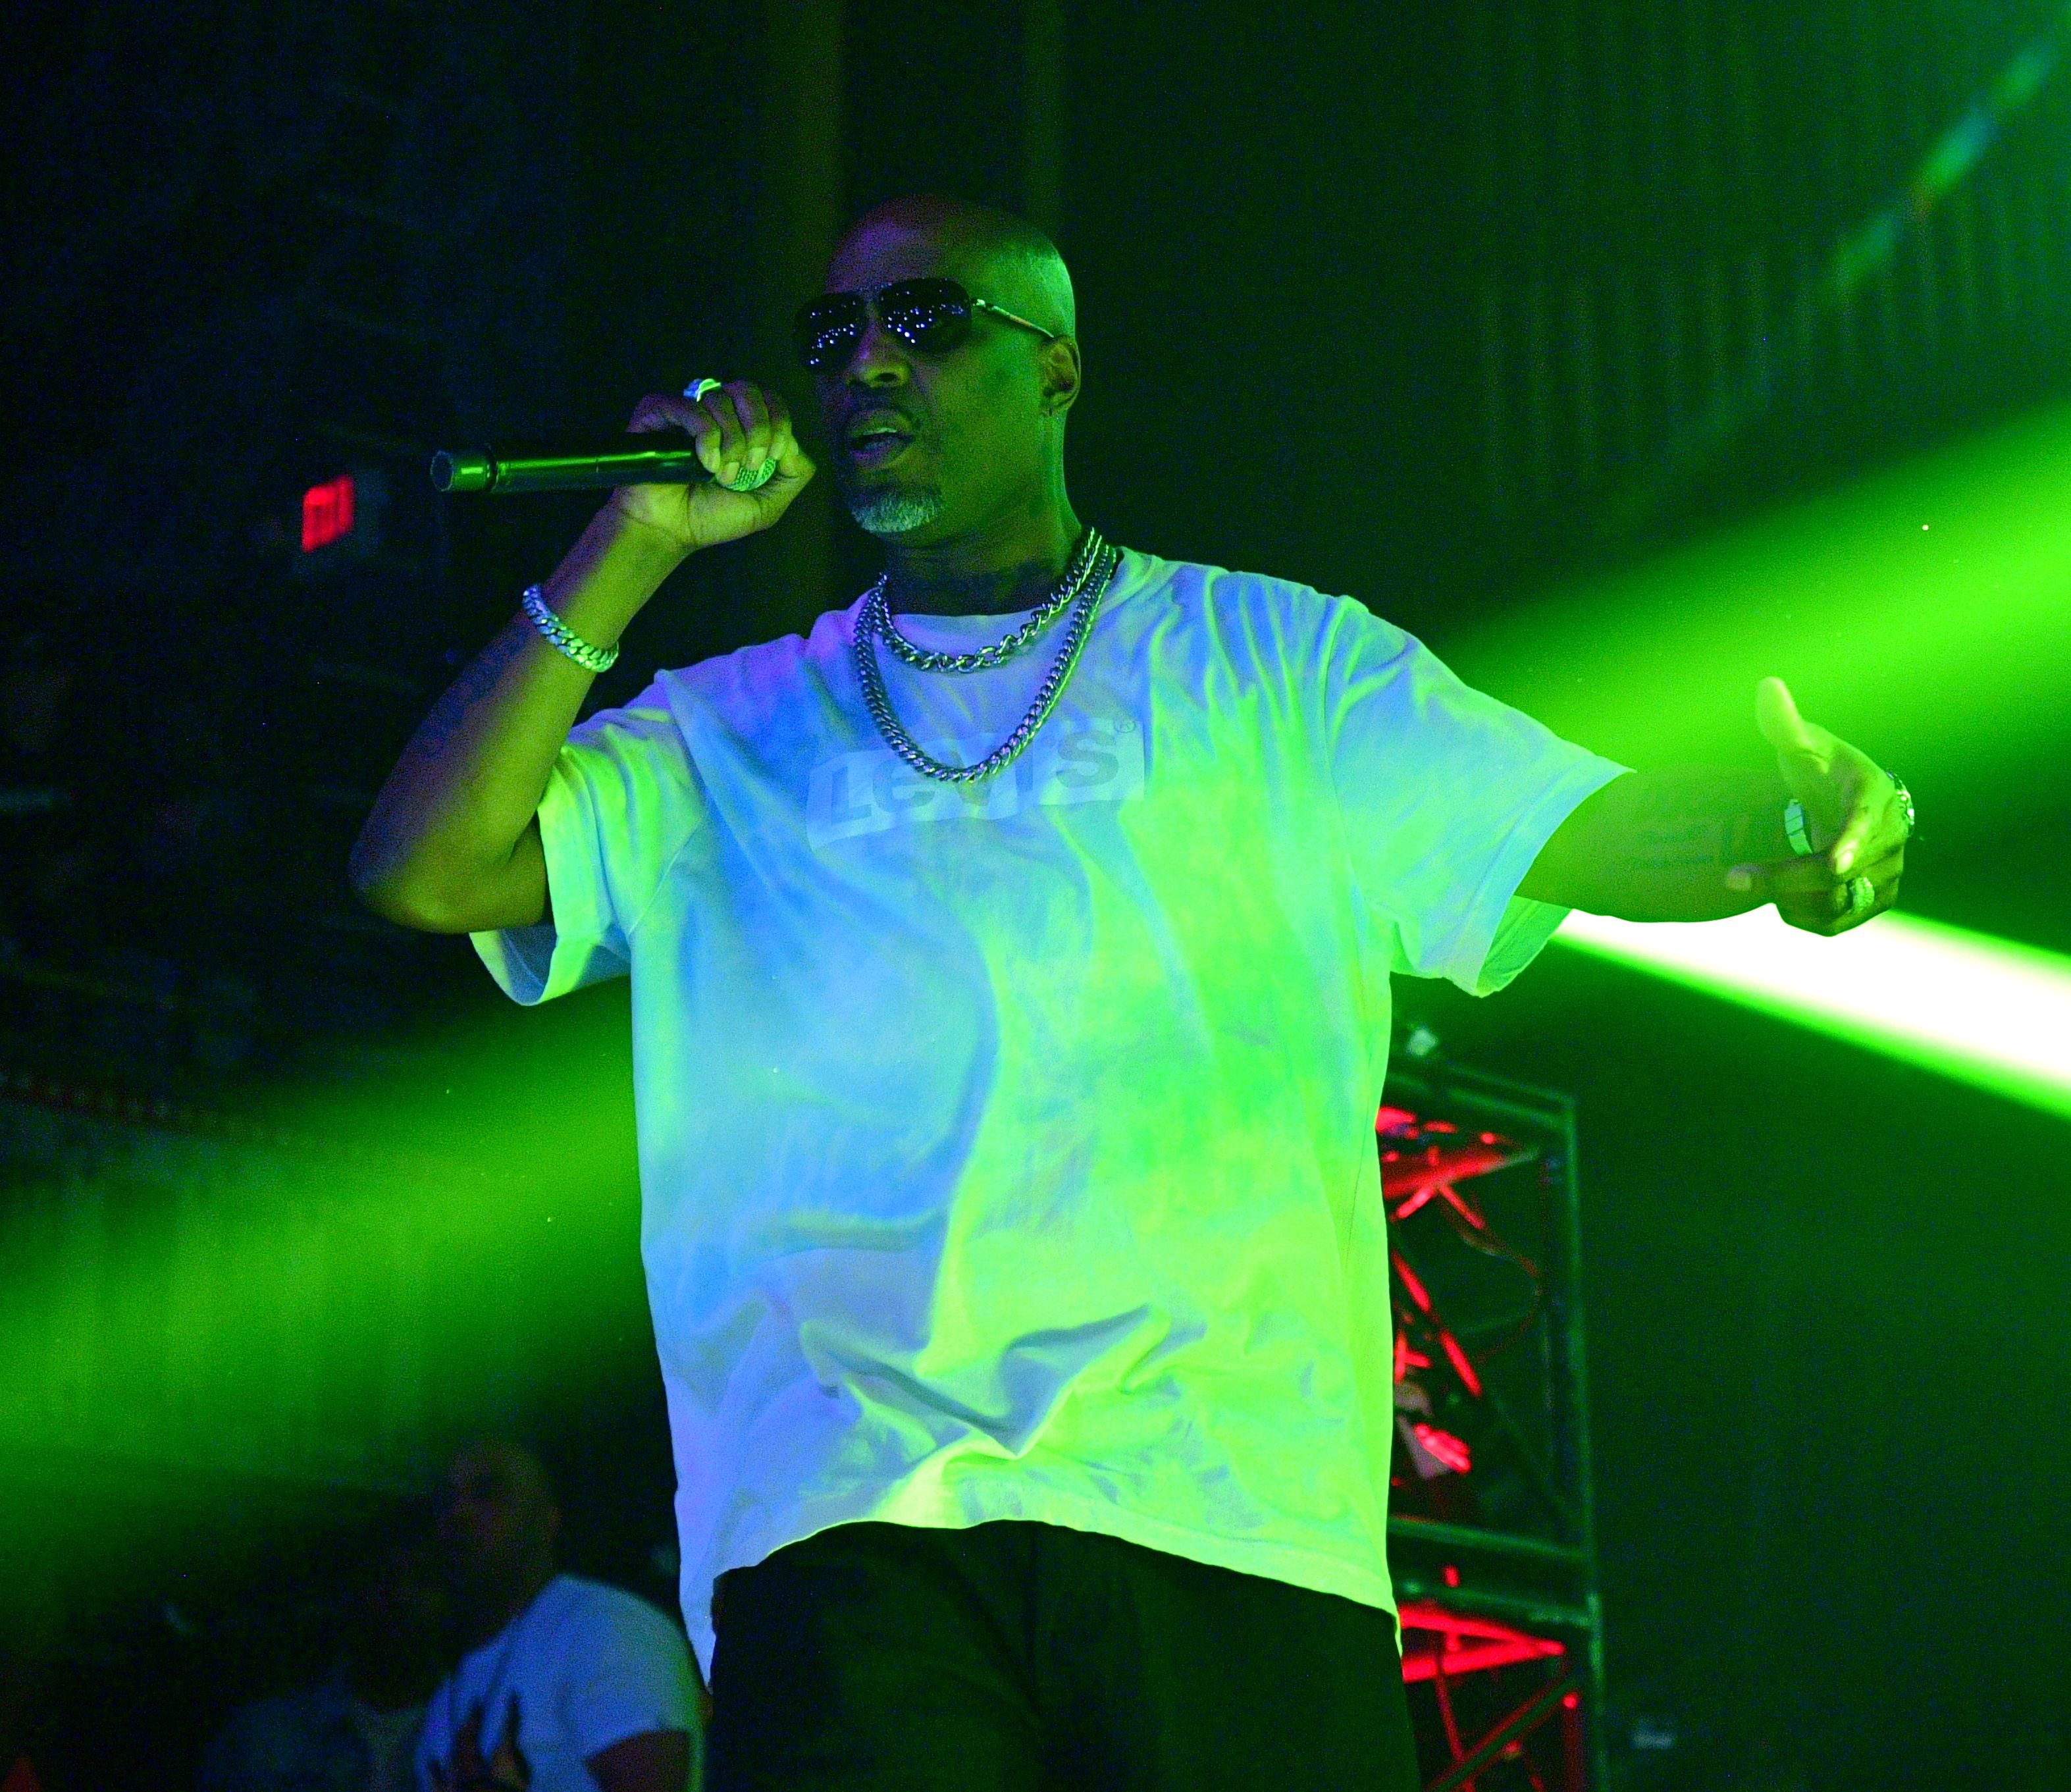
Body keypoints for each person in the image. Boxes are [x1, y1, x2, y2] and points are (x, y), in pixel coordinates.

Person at [349, 194, 1912, 1789]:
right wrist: (629, 544)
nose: (868, 367)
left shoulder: (1270, 663)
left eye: (928, 324)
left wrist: (1784, 827)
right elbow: (423, 867)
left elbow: (1569, 823)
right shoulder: (727, 730)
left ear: (1058, 370)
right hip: (857, 1520)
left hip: (1228, 1506)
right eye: (835, 338)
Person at [417, 1438, 698, 1792]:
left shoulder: (604, 1627)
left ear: (549, 1515)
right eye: (446, 1501)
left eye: (488, 1492)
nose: (461, 1512)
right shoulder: (445, 1695)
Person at [199, 1521, 446, 1792]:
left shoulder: (474, 1740)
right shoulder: (263, 1736)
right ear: (355, 1592)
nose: (401, 1597)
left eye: (423, 1580)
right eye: (384, 1579)